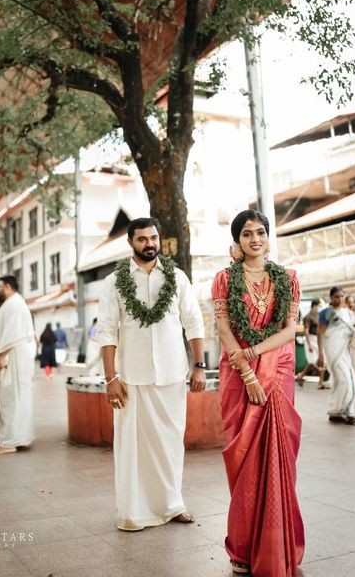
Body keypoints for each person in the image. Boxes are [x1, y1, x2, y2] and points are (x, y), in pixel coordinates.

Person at [98, 217, 206, 532]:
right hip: (131, 377)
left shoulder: (177, 276)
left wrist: (199, 364)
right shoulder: (114, 282)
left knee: (172, 443)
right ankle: (132, 511)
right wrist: (110, 379)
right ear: (131, 242)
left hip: (172, 373)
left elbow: (193, 321)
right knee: (131, 447)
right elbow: (107, 331)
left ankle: (173, 505)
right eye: (143, 239)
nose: (150, 244)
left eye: (154, 238)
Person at [212, 209, 304, 577]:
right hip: (238, 373)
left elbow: (290, 330)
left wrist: (256, 354)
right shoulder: (224, 279)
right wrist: (247, 372)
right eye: (247, 233)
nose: (255, 239)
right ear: (238, 240)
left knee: (279, 455)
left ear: (268, 237)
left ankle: (277, 543)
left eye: (261, 232)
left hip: (277, 372)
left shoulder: (288, 278)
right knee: (245, 457)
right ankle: (244, 548)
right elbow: (223, 328)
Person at [0, 275, 36, 455]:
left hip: (12, 356)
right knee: (19, 397)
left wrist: (1, 356)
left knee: (10, 397)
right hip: (17, 355)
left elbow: (12, 333)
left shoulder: (14, 304)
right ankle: (21, 437)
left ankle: (8, 442)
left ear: (7, 286)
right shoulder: (14, 303)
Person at [317, 287, 355, 425]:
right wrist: (320, 354)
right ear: (331, 297)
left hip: (344, 351)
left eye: (342, 296)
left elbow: (349, 329)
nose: (340, 299)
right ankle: (348, 412)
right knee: (347, 380)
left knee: (341, 380)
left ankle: (335, 411)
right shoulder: (326, 313)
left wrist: (354, 334)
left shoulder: (346, 313)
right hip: (332, 351)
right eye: (337, 296)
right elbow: (320, 333)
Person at [296, 300, 326, 389]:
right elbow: (306, 331)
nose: (319, 308)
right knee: (313, 361)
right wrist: (309, 344)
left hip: (318, 339)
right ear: (313, 306)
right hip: (311, 339)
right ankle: (302, 375)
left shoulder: (319, 317)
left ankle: (319, 382)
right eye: (318, 306)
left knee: (320, 361)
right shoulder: (307, 317)